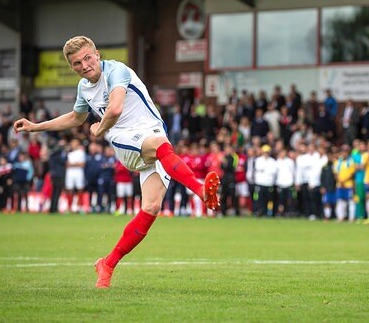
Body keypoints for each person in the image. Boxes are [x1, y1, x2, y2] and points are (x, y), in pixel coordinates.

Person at [13, 36, 220, 288]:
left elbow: (113, 108)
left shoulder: (116, 70)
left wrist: (98, 130)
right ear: (73, 67)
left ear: (97, 54)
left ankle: (107, 264)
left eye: (88, 58)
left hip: (153, 136)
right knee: (159, 147)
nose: (85, 65)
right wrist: (36, 127)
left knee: (151, 208)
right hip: (126, 140)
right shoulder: (83, 88)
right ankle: (200, 191)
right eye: (77, 63)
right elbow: (79, 118)